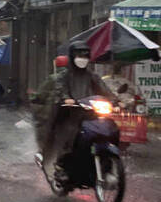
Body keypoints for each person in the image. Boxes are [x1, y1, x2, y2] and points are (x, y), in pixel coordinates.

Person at [38, 41, 117, 179]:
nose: (82, 58)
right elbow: (60, 89)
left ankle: (106, 164)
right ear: (72, 56)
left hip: (90, 114)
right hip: (70, 113)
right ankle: (61, 165)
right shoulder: (64, 76)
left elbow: (104, 90)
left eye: (85, 55)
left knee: (110, 128)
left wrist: (116, 101)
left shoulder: (92, 76)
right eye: (79, 55)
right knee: (70, 134)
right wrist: (66, 99)